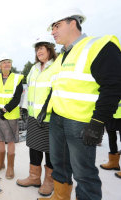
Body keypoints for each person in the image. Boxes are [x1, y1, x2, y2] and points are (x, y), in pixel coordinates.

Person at [37, 8, 121, 200]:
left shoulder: (99, 45)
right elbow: (57, 85)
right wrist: (45, 108)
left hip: (81, 123)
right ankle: (60, 196)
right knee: (60, 166)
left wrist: (98, 122)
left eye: (56, 26)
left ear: (72, 23)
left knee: (84, 174)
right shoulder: (64, 55)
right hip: (58, 119)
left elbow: (114, 86)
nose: (52, 31)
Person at [16, 34, 57, 197]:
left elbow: (56, 90)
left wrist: (46, 109)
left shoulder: (56, 66)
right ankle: (34, 177)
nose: (38, 52)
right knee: (34, 147)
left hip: (49, 117)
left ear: (50, 49)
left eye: (41, 48)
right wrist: (24, 108)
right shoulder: (34, 68)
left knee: (50, 151)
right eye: (37, 49)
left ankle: (49, 181)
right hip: (34, 117)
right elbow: (29, 89)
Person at [0, 56, 24, 179]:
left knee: (10, 140)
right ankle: (0, 163)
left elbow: (17, 98)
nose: (7, 64)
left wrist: (5, 109)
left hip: (11, 114)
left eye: (9, 62)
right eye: (4, 63)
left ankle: (10, 167)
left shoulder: (17, 78)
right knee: (0, 139)